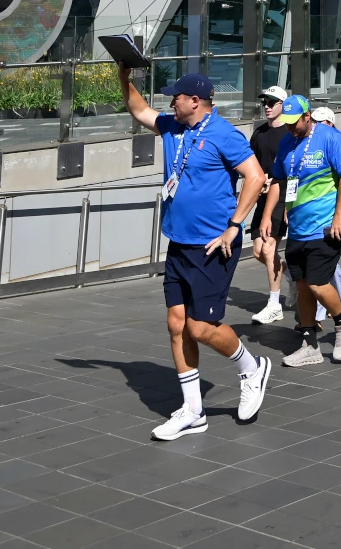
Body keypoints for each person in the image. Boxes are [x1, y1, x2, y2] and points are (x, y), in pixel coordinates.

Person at [121, 70, 271, 441]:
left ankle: (252, 369)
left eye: (176, 96)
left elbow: (255, 176)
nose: (170, 101)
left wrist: (235, 225)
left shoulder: (223, 134)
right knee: (176, 324)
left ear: (195, 101)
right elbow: (138, 110)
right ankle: (193, 410)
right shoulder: (173, 126)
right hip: (179, 242)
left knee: (200, 328)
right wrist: (123, 76)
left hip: (212, 244)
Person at [264, 96, 341, 368]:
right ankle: (310, 345)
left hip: (326, 225)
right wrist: (267, 217)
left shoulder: (329, 137)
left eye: (295, 123)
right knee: (303, 286)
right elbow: (279, 181)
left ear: (308, 117)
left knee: (318, 284)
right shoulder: (286, 142)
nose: (290, 128)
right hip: (297, 227)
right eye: (287, 123)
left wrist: (340, 215)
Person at [247, 86, 293, 324]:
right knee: (258, 252)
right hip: (263, 197)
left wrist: (289, 204)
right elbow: (252, 165)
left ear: (283, 105)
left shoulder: (290, 133)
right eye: (264, 101)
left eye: (272, 102)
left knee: (267, 248)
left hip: (282, 196)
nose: (266, 105)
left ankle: (274, 304)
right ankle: (290, 274)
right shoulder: (259, 133)